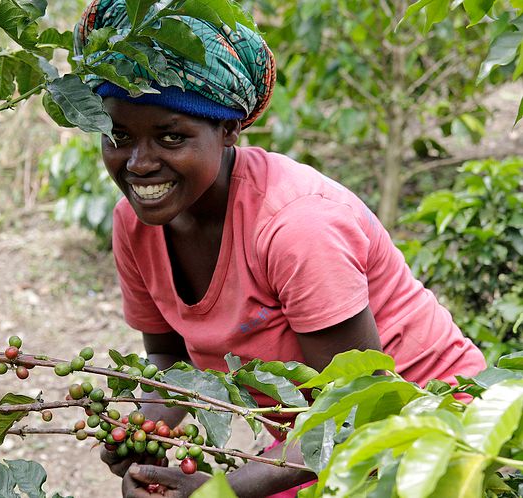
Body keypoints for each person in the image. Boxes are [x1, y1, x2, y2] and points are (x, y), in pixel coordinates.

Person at [73, 1, 487, 496]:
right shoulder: (134, 224)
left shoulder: (297, 225)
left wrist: (216, 492)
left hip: (431, 429)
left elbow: (358, 408)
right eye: (118, 135)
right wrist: (140, 433)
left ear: (229, 130)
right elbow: (170, 357)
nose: (138, 164)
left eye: (171, 137)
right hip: (316, 440)